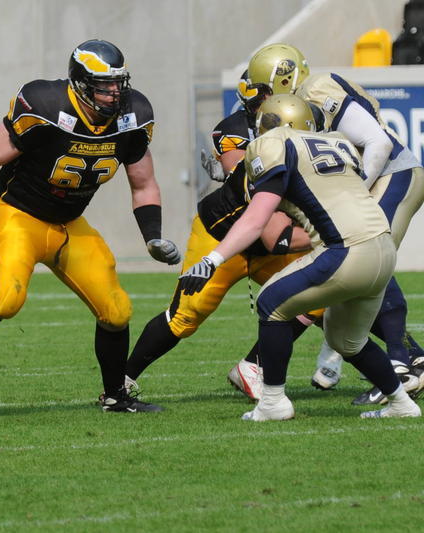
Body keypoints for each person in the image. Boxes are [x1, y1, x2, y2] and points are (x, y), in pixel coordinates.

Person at [0, 39, 181, 420]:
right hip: (17, 214)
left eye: (118, 83)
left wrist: (152, 236)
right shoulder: (46, 105)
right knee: (6, 300)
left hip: (68, 223)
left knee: (117, 311)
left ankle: (116, 396)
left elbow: (144, 184)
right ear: (80, 84)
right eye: (104, 85)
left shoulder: (134, 115)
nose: (114, 93)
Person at [179, 93, 420, 421]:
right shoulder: (337, 142)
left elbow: (256, 219)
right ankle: (401, 404)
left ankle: (273, 403)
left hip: (347, 249)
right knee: (347, 341)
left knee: (271, 302)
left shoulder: (273, 143)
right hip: (383, 248)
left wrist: (212, 260)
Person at [247, 43, 424, 404]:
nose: (262, 99)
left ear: (283, 79)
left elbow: (377, 141)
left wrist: (355, 193)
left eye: (264, 89)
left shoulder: (316, 88)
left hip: (393, 174)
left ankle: (399, 365)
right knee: (358, 263)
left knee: (367, 252)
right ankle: (411, 358)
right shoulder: (299, 103)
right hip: (382, 179)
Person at [125, 70, 316, 400]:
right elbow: (273, 231)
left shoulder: (303, 136)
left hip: (268, 236)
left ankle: (254, 367)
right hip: (224, 235)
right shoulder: (240, 135)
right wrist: (330, 236)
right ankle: (122, 380)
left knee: (319, 296)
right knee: (185, 316)